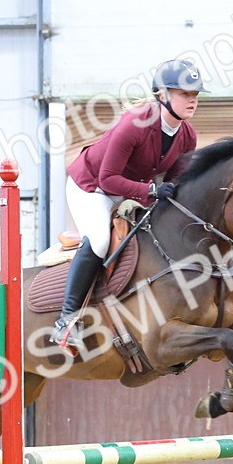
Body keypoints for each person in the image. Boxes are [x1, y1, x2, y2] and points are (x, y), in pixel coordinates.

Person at [51, 59, 206, 349]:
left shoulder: (187, 136)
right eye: (184, 93)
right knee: (98, 241)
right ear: (162, 95)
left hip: (130, 191)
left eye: (195, 94)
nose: (192, 100)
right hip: (92, 186)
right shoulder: (135, 123)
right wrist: (151, 191)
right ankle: (66, 320)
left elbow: (172, 184)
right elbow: (108, 179)